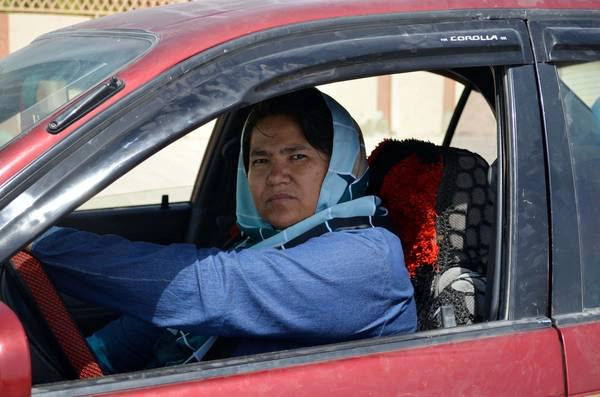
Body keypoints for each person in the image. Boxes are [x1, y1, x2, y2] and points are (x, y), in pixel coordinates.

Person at [30, 88, 416, 374]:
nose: (276, 174)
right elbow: (147, 330)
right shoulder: (259, 244)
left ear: (343, 166)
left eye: (298, 156)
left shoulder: (366, 259)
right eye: (260, 160)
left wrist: (33, 240)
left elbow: (210, 291)